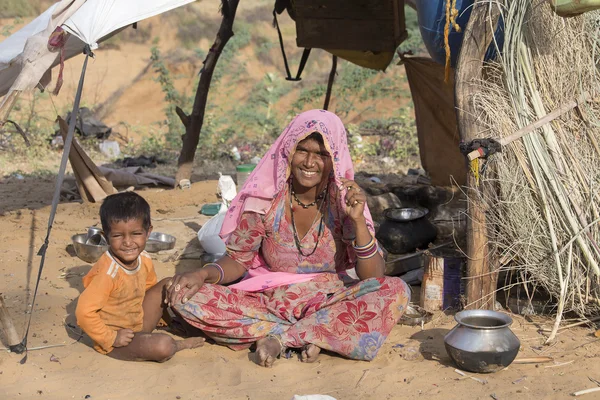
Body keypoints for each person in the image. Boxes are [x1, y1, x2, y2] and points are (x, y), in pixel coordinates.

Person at [166, 110, 410, 367]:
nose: (309, 162)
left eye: (321, 154)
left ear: (335, 158)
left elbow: (373, 277)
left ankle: (281, 339)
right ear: (289, 151)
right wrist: (203, 274)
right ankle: (317, 334)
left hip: (327, 301)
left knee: (396, 290)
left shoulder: (343, 201)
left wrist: (358, 221)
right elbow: (238, 261)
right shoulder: (265, 199)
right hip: (268, 303)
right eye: (302, 150)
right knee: (186, 296)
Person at [76, 192, 204, 362]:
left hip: (138, 323)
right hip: (118, 340)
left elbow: (149, 290)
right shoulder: (108, 273)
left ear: (148, 231)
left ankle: (176, 329)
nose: (128, 242)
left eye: (135, 233)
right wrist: (111, 338)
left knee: (170, 284)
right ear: (105, 236)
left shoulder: (144, 258)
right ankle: (179, 345)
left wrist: (164, 319)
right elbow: (83, 312)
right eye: (117, 236)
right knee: (163, 345)